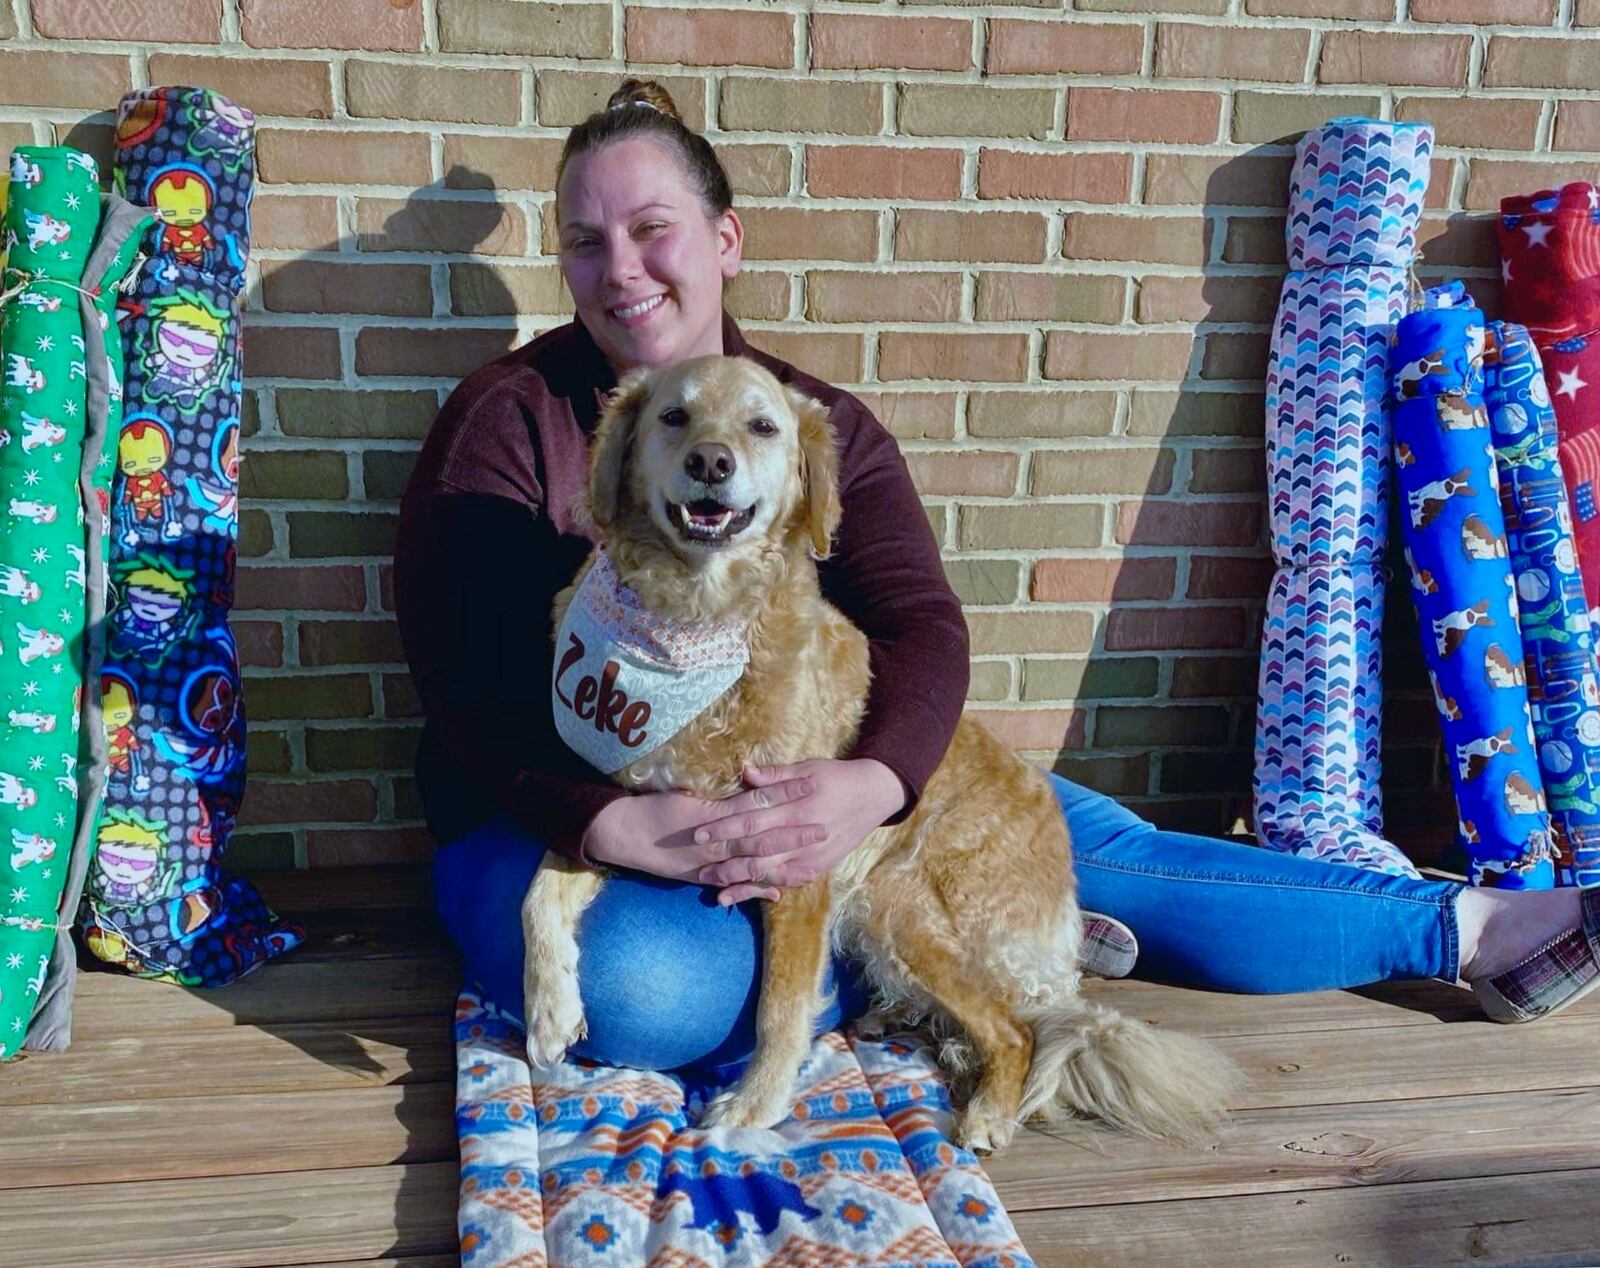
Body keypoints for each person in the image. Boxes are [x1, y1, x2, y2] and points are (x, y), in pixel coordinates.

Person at [394, 78, 1598, 1074]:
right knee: (646, 994)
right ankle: (966, 957)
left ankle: (1471, 923)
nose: (622, 269)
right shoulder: (507, 421)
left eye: (652, 228)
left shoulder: (816, 430)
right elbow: (462, 685)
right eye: (586, 239)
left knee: (1063, 833)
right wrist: (608, 820)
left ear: (722, 239)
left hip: (812, 794)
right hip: (551, 813)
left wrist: (873, 783)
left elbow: (921, 623)